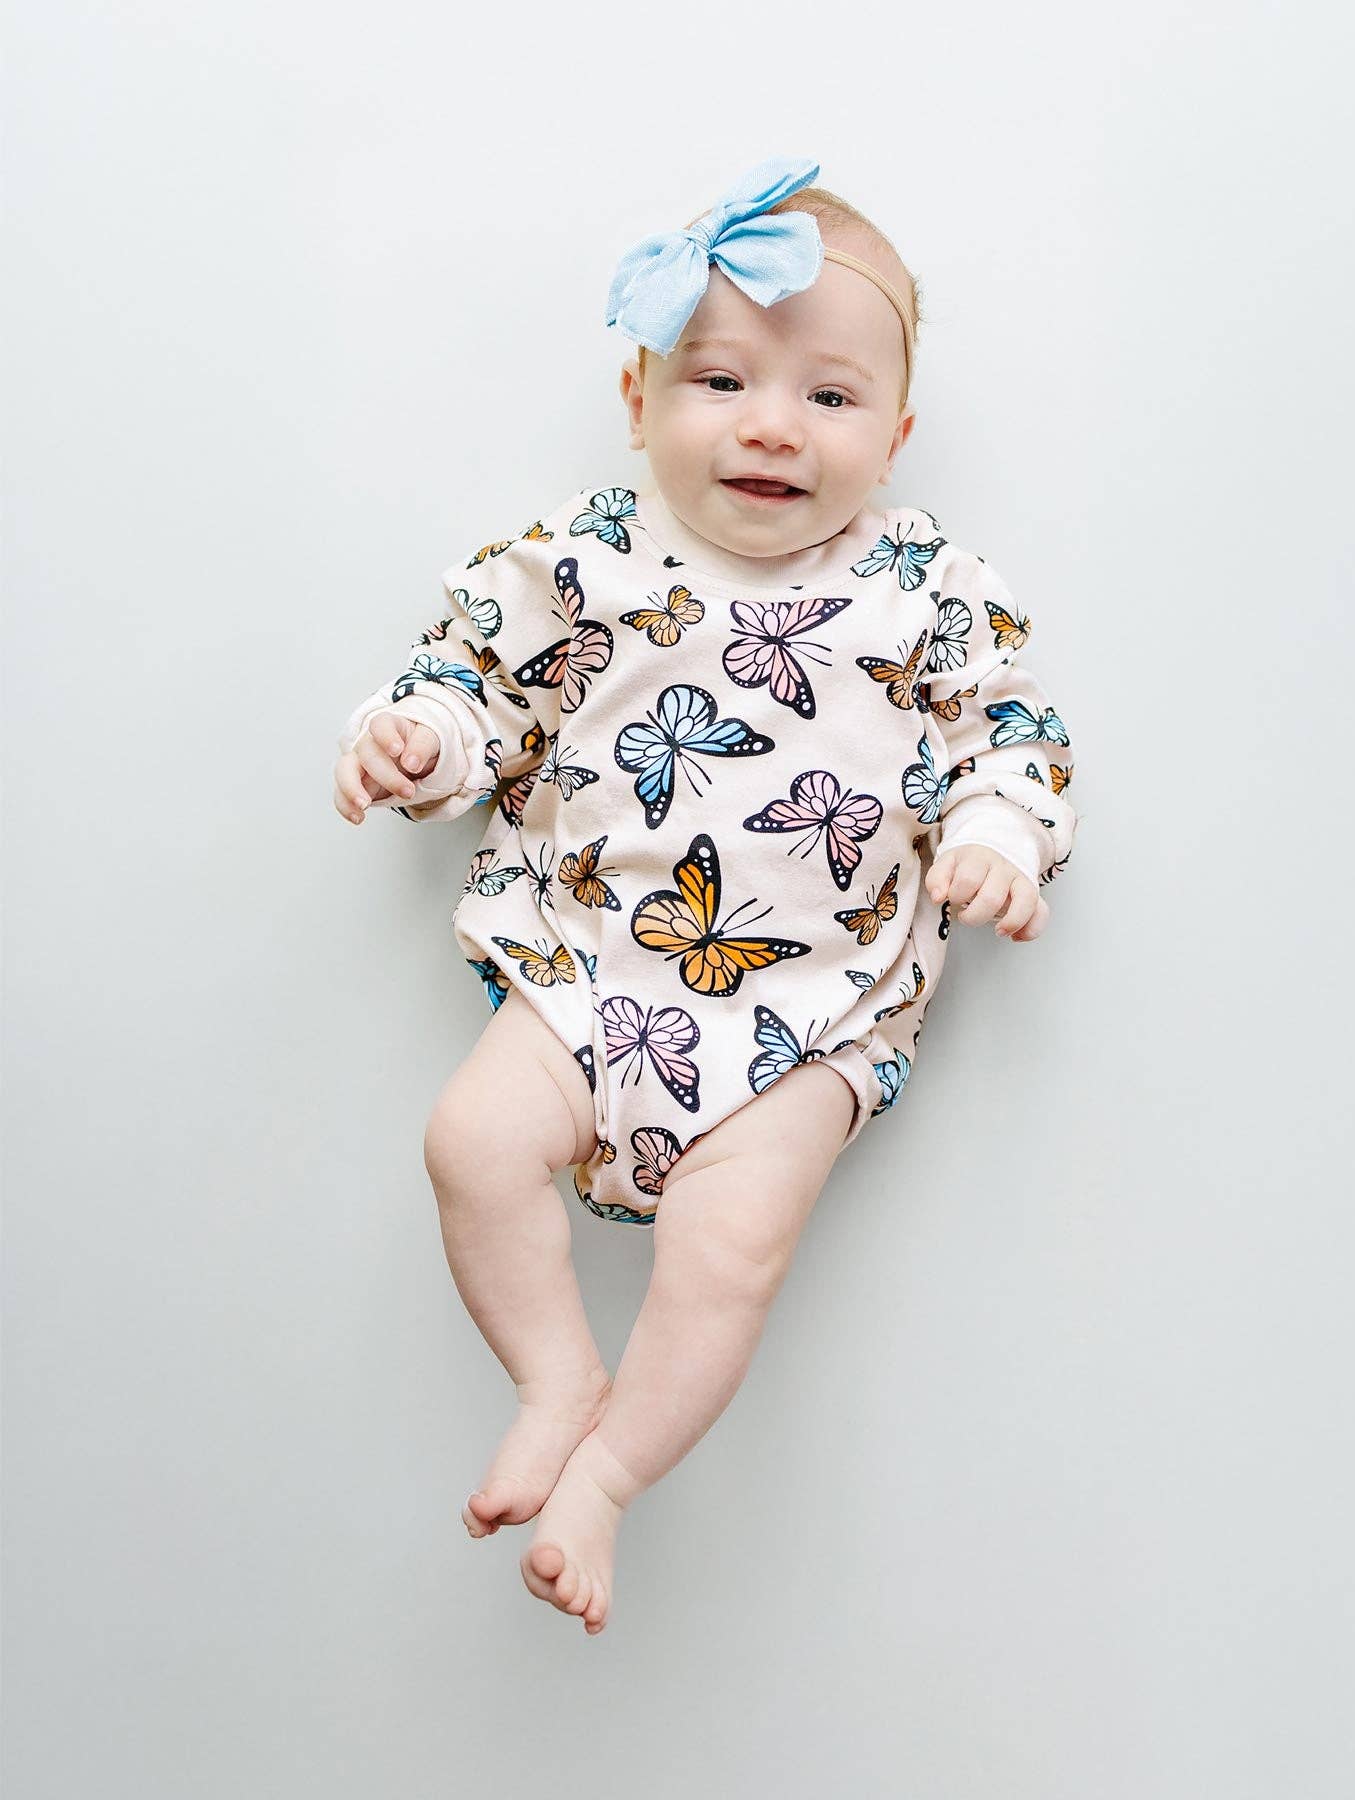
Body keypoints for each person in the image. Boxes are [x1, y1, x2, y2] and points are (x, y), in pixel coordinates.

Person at [331, 155, 1079, 1635]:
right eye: (721, 380)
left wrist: (1000, 828)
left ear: (897, 435)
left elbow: (1014, 727)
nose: (771, 425)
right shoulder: (583, 560)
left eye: (830, 396)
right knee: (471, 1140)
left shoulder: (924, 585)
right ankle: (557, 1379)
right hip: (593, 967)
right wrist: (418, 741)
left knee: (728, 1249)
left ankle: (608, 1477)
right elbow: (472, 683)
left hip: (809, 1012)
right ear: (639, 397)